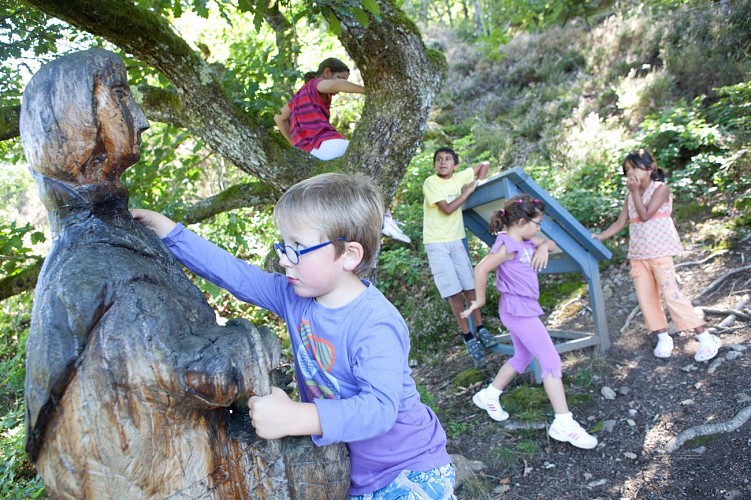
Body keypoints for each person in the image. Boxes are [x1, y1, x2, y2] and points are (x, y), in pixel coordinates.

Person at [20, 48, 349, 499]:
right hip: (159, 473)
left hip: (191, 452)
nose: (141, 120)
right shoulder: (90, 260)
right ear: (73, 120)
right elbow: (174, 366)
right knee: (326, 460)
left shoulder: (109, 241)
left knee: (328, 458)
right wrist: (248, 347)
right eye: (119, 96)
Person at [132, 172, 455, 498]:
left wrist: (296, 417)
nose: (285, 259)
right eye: (284, 245)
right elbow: (236, 275)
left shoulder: (375, 323)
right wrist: (170, 233)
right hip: (354, 475)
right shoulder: (294, 296)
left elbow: (379, 410)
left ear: (349, 255)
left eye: (298, 247)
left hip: (410, 472)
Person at [462, 194, 598, 449]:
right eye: (537, 224)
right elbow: (481, 269)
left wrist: (543, 246)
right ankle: (564, 423)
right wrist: (479, 301)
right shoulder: (508, 245)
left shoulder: (525, 240)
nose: (539, 228)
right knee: (551, 361)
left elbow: (552, 243)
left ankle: (489, 395)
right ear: (522, 222)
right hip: (517, 310)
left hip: (523, 308)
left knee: (522, 357)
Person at [592, 149, 720, 362]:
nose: (630, 173)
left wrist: (634, 192)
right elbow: (620, 222)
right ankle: (663, 336)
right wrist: (601, 236)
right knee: (645, 297)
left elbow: (645, 215)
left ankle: (705, 338)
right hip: (638, 255)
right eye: (627, 170)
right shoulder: (629, 197)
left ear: (650, 168)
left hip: (660, 252)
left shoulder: (660, 188)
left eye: (634, 167)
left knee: (672, 295)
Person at [274, 57, 410, 243]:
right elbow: (333, 85)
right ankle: (384, 217)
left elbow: (278, 119)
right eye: (342, 77)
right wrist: (369, 91)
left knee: (341, 187)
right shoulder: (317, 85)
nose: (340, 87)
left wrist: (294, 144)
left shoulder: (297, 97)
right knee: (370, 165)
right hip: (327, 144)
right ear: (328, 72)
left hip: (308, 154)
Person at [422, 146, 499, 369]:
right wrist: (466, 193)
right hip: (436, 243)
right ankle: (468, 336)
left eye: (447, 159)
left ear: (455, 165)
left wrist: (477, 182)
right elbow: (446, 209)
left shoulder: (459, 177)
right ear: (435, 165)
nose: (443, 162)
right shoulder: (431, 182)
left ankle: (481, 327)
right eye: (438, 160)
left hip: (456, 240)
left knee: (469, 286)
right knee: (453, 292)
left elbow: (484, 165)